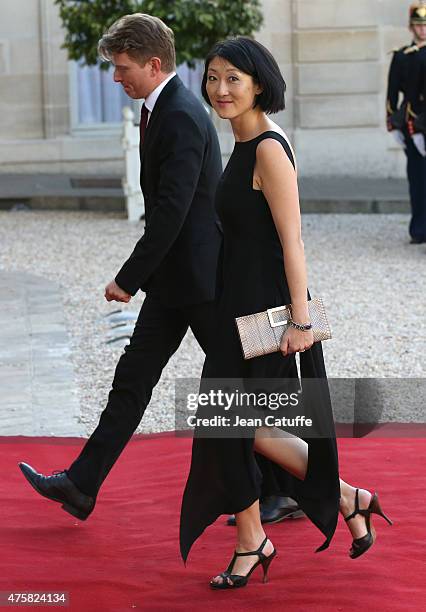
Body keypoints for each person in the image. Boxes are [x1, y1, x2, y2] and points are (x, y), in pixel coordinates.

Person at [17, 13, 300, 525]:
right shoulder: (162, 109)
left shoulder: (182, 115)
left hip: (205, 282)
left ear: (153, 64)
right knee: (133, 379)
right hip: (177, 283)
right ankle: (82, 485)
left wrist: (128, 279)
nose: (115, 77)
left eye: (123, 67)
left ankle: (304, 487)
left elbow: (171, 213)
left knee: (247, 390)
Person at [179, 37, 393, 589]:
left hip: (266, 311)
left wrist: (300, 321)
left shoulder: (269, 148)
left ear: (258, 83)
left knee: (232, 422)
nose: (220, 90)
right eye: (213, 77)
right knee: (231, 424)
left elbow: (293, 242)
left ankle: (296, 520)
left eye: (233, 79)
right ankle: (338, 502)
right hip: (236, 305)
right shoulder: (242, 141)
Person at [387, 2, 426, 244]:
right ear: (411, 27)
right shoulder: (402, 56)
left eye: (425, 26)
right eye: (418, 26)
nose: (422, 31)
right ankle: (420, 228)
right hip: (414, 123)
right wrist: (392, 123)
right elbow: (392, 94)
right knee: (418, 178)